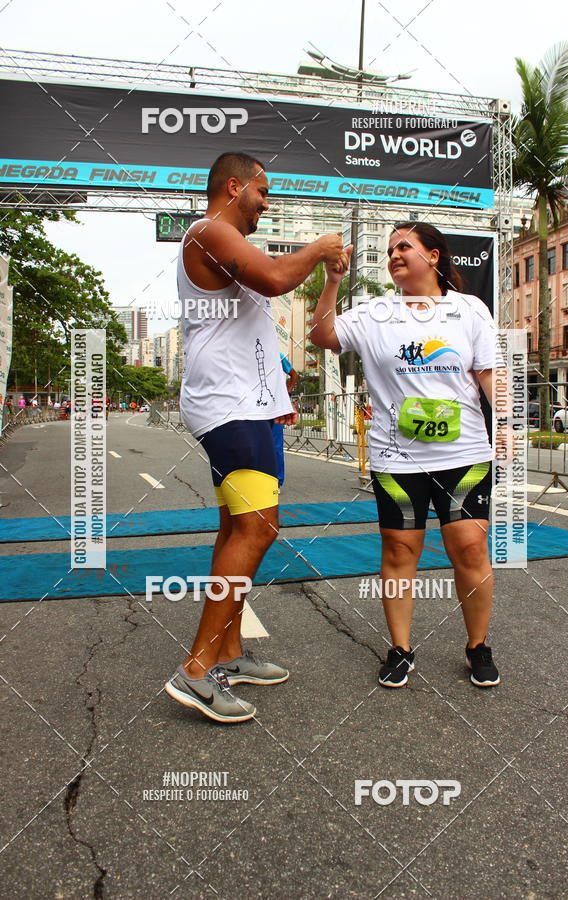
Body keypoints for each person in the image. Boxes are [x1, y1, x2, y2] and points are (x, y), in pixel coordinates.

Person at [164, 151, 345, 723]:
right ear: (234, 187)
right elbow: (273, 277)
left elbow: (249, 327)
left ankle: (230, 654)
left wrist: (276, 394)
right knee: (258, 528)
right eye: (262, 193)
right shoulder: (208, 230)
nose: (266, 204)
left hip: (247, 406)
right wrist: (319, 247)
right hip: (228, 407)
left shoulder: (225, 244)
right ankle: (196, 670)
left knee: (235, 528)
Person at [311, 221, 500, 690]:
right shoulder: (374, 314)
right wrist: (333, 281)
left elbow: (488, 374)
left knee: (470, 547)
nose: (394, 254)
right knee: (400, 549)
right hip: (397, 459)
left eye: (404, 246)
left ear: (433, 256)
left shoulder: (469, 309)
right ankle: (400, 648)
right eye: (390, 249)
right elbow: (322, 335)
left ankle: (478, 646)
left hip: (464, 453)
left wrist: (510, 426)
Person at [271, 352, 298, 487]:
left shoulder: (278, 355)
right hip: (256, 408)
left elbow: (294, 374)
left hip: (276, 406)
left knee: (276, 445)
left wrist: (287, 392)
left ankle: (278, 481)